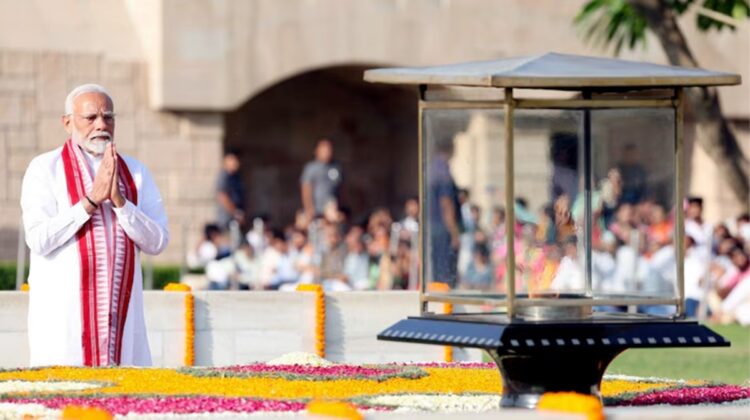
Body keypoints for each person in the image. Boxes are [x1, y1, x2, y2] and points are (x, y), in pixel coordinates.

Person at [21, 84, 169, 367]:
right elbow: (38, 238)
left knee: (124, 401)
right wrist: (89, 202)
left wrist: (120, 203)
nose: (101, 124)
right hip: (65, 328)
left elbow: (158, 242)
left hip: (122, 327)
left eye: (108, 117)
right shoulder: (44, 169)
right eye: (90, 118)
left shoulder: (136, 172)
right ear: (67, 122)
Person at [300, 138, 343, 220]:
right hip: (317, 210)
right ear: (317, 151)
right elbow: (306, 188)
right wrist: (309, 208)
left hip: (333, 208)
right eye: (324, 150)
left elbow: (341, 188)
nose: (327, 153)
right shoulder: (311, 168)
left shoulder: (336, 166)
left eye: (329, 150)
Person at [215, 150, 247, 237]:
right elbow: (222, 196)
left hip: (236, 220)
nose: (236, 163)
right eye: (233, 160)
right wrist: (236, 213)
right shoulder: (224, 176)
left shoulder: (236, 177)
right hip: (227, 220)